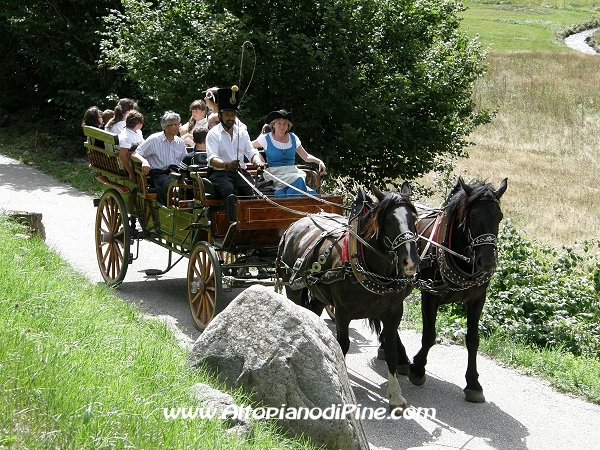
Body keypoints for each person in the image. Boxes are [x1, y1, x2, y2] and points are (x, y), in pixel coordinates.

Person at [206, 86, 266, 222]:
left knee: (253, 192)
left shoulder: (242, 132)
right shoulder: (213, 134)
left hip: (240, 172)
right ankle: (235, 225)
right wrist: (226, 165)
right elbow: (211, 159)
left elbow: (251, 152)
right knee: (229, 191)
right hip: (220, 173)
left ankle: (253, 224)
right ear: (220, 115)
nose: (230, 118)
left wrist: (258, 163)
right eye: (227, 114)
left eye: (233, 114)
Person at [252, 109, 325, 198]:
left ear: (288, 126)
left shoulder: (293, 138)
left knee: (294, 184)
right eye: (279, 123)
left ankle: (281, 196)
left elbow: (306, 156)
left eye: (284, 124)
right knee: (300, 181)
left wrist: (320, 161)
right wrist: (258, 157)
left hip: (292, 172)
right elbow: (249, 147)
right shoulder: (266, 138)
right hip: (275, 174)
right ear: (273, 125)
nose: (282, 127)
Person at [132, 111, 187, 206]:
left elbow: (185, 161)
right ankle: (170, 209)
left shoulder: (180, 142)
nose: (177, 127)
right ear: (165, 127)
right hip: (159, 174)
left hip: (176, 173)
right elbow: (135, 154)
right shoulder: (154, 139)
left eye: (178, 124)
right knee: (171, 183)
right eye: (174, 125)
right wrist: (144, 161)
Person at [117, 111, 144, 182]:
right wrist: (131, 172)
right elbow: (122, 156)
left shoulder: (138, 132)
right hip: (131, 162)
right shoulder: (126, 136)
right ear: (139, 123)